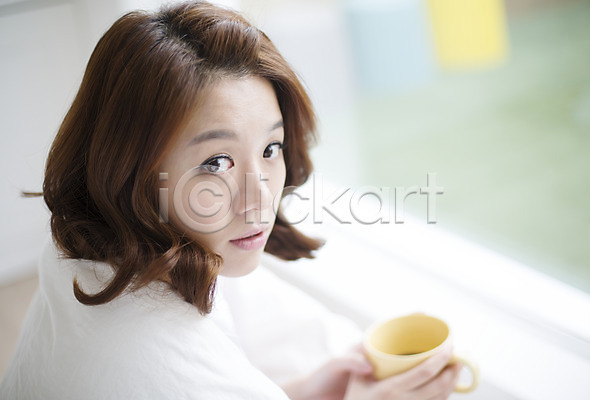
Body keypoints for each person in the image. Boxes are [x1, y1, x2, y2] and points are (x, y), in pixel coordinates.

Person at [0, 1, 462, 399]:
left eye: (270, 149)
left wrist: (304, 391)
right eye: (217, 162)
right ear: (129, 170)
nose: (260, 199)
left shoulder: (84, 257)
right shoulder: (159, 360)